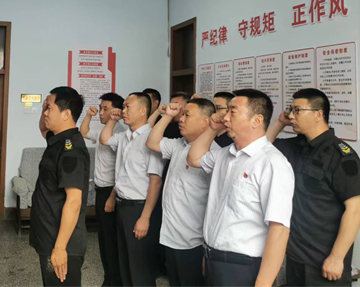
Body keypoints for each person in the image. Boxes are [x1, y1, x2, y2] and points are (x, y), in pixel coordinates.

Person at [187, 89, 295, 287]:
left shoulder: (271, 163)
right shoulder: (225, 154)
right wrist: (211, 129)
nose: (225, 117)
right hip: (214, 259)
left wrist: (263, 283)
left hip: (243, 266)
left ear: (256, 120)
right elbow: (194, 158)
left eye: (233, 112)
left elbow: (279, 230)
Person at [266, 88, 360, 286]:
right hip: (296, 257)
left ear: (318, 114)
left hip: (324, 261)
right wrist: (280, 122)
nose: (291, 116)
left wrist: (337, 257)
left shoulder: (341, 156)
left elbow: (355, 211)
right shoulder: (296, 145)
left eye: (297, 110)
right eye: (290, 110)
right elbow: (263, 148)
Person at [146, 99, 218, 286]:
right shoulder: (179, 144)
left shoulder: (213, 155)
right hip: (171, 235)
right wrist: (167, 116)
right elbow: (152, 142)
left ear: (205, 122)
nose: (181, 119)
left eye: (187, 115)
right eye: (182, 114)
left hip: (193, 241)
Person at [99, 92, 164, 287]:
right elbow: (104, 139)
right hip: (122, 205)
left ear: (143, 111)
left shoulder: (150, 138)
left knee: (140, 267)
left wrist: (145, 217)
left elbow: (155, 182)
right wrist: (113, 119)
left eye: (128, 107)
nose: (123, 110)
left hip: (139, 208)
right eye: (123, 106)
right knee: (125, 263)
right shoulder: (124, 136)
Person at [31, 87, 90, 286]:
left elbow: (74, 201)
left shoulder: (70, 149)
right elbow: (43, 129)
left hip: (62, 243)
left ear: (66, 114)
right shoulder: (59, 139)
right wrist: (44, 107)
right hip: (49, 235)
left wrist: (60, 248)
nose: (46, 113)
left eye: (49, 108)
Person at [80, 92, 126, 287]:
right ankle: (110, 277)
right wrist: (88, 115)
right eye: (100, 109)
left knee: (110, 239)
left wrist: (112, 197)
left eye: (105, 109)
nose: (100, 112)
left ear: (117, 111)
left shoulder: (121, 134)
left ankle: (114, 280)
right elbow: (83, 132)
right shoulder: (104, 131)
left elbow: (122, 170)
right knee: (104, 238)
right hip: (101, 190)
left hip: (110, 193)